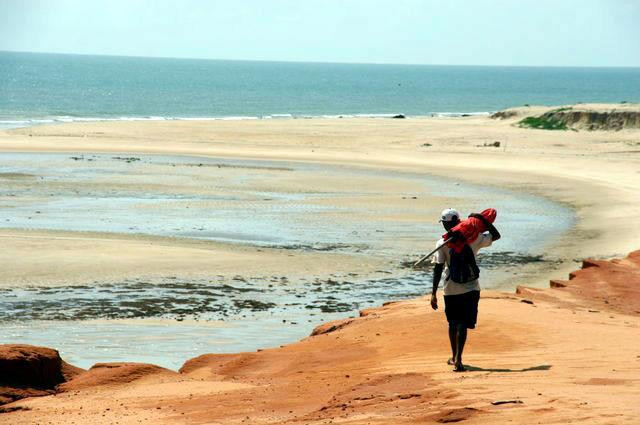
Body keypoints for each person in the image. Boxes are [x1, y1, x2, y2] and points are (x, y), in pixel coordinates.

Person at [430, 208, 500, 372]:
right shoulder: (474, 238)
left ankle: (454, 357)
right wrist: (482, 220)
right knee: (463, 323)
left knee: (453, 323)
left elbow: (438, 269)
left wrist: (433, 293)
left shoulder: (442, 243)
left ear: (447, 224)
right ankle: (459, 359)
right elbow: (496, 236)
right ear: (458, 220)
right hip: (471, 287)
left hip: (450, 288)